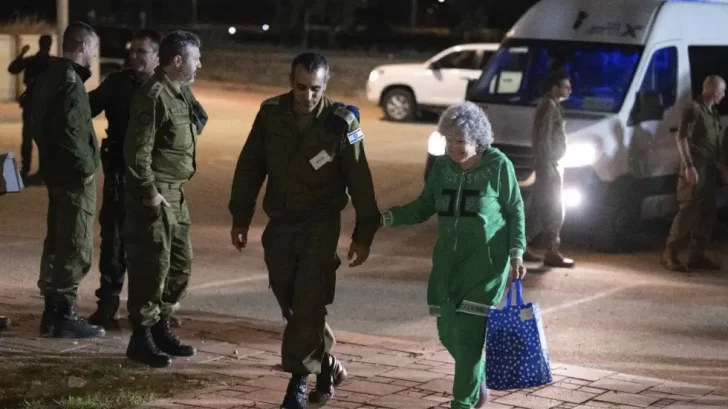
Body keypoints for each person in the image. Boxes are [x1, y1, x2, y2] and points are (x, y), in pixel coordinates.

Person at [229, 52, 380, 408]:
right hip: (281, 224)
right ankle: (326, 365)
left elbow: (360, 180)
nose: (307, 96)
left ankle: (298, 383)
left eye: (315, 89)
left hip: (320, 225)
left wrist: (364, 234)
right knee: (291, 300)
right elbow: (250, 166)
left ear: (325, 86)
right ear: (290, 82)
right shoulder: (270, 113)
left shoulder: (341, 123)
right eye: (300, 87)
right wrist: (241, 216)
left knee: (309, 301)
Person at [379, 101, 527, 409]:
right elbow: (423, 206)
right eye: (448, 140)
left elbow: (515, 210)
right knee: (448, 333)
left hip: (486, 265)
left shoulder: (498, 165)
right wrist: (385, 217)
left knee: (469, 339)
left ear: (478, 140)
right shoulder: (442, 167)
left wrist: (516, 253)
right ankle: (476, 377)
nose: (453, 148)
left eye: (460, 141)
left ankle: (462, 402)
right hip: (447, 264)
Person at [86, 29, 208, 330]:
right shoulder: (120, 84)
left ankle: (158, 315)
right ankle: (111, 307)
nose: (135, 56)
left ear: (157, 56)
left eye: (142, 51)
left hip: (157, 178)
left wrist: (174, 138)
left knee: (162, 254)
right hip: (124, 174)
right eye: (133, 50)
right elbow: (86, 109)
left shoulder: (176, 89)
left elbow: (198, 117)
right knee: (116, 243)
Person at [123, 30, 202, 368]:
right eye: (196, 58)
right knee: (151, 267)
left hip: (176, 193)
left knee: (180, 265)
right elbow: (137, 151)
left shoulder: (179, 91)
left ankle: (161, 327)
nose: (200, 64)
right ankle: (141, 338)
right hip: (156, 194)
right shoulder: (153, 95)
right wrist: (149, 192)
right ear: (178, 60)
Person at [30, 22, 105, 339]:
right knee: (75, 244)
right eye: (94, 49)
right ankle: (65, 313)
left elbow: (38, 123)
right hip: (73, 177)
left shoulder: (50, 75)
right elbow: (71, 131)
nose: (95, 56)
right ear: (83, 47)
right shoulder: (70, 81)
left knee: (57, 241)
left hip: (56, 172)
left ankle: (52, 312)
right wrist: (86, 168)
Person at [661, 75, 726, 272]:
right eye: (722, 91)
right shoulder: (694, 110)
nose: (724, 95)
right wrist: (689, 166)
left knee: (707, 214)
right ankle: (670, 254)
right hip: (696, 169)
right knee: (688, 212)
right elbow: (681, 138)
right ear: (713, 90)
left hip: (709, 170)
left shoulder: (712, 113)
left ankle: (697, 255)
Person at [522, 70, 574, 268]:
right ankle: (552, 250)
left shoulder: (551, 106)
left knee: (538, 208)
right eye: (566, 86)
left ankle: (520, 246)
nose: (570, 90)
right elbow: (543, 139)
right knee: (554, 208)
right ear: (555, 88)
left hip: (550, 164)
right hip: (549, 165)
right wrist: (548, 164)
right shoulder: (549, 107)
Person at [7, 35, 53, 183]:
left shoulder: (32, 60)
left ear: (39, 44)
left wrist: (22, 53)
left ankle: (26, 168)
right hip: (45, 105)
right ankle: (43, 171)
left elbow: (12, 68)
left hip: (32, 103)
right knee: (44, 138)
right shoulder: (53, 63)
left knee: (28, 137)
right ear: (50, 45)